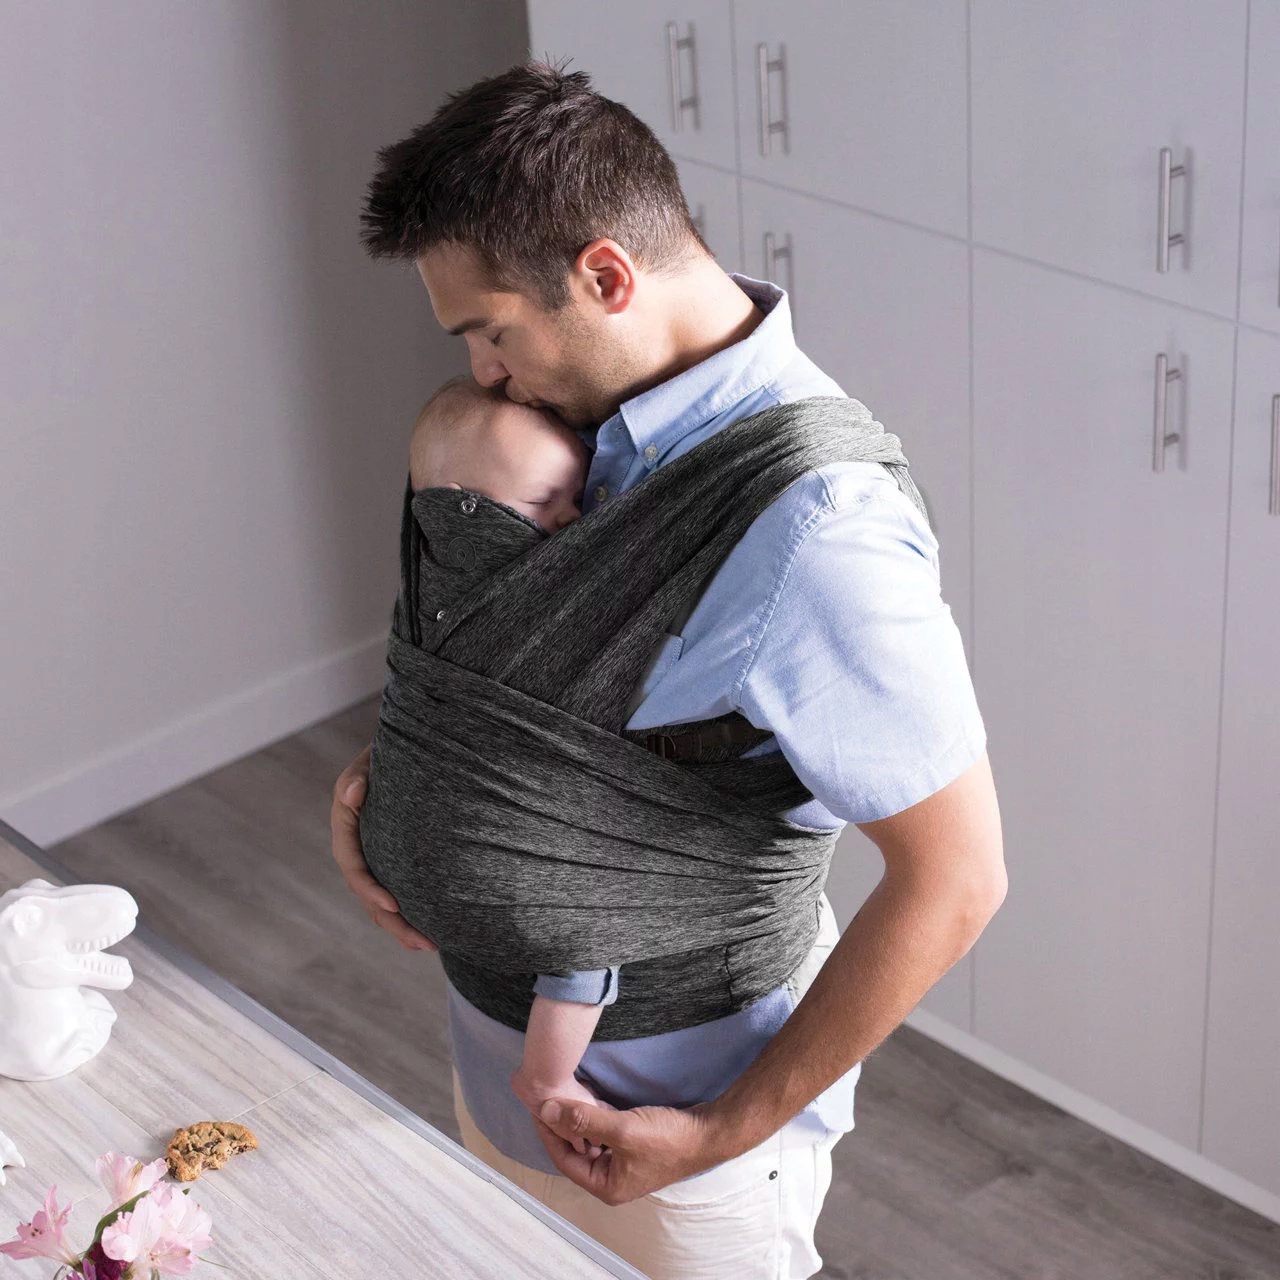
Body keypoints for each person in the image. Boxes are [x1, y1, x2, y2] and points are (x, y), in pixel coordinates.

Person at [332, 59, 1006, 1280]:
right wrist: (400, 801)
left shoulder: (817, 527)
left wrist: (716, 1132)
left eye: (491, 329)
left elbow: (956, 879)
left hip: (671, 1125)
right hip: (487, 1060)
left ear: (605, 275)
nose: (483, 370)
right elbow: (495, 673)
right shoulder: (566, 421)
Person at [401, 372, 621, 1155]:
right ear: (461, 511)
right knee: (587, 930)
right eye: (540, 504)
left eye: (576, 501)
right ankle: (547, 1078)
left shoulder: (431, 579)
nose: (569, 522)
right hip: (497, 832)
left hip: (444, 831)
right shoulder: (506, 592)